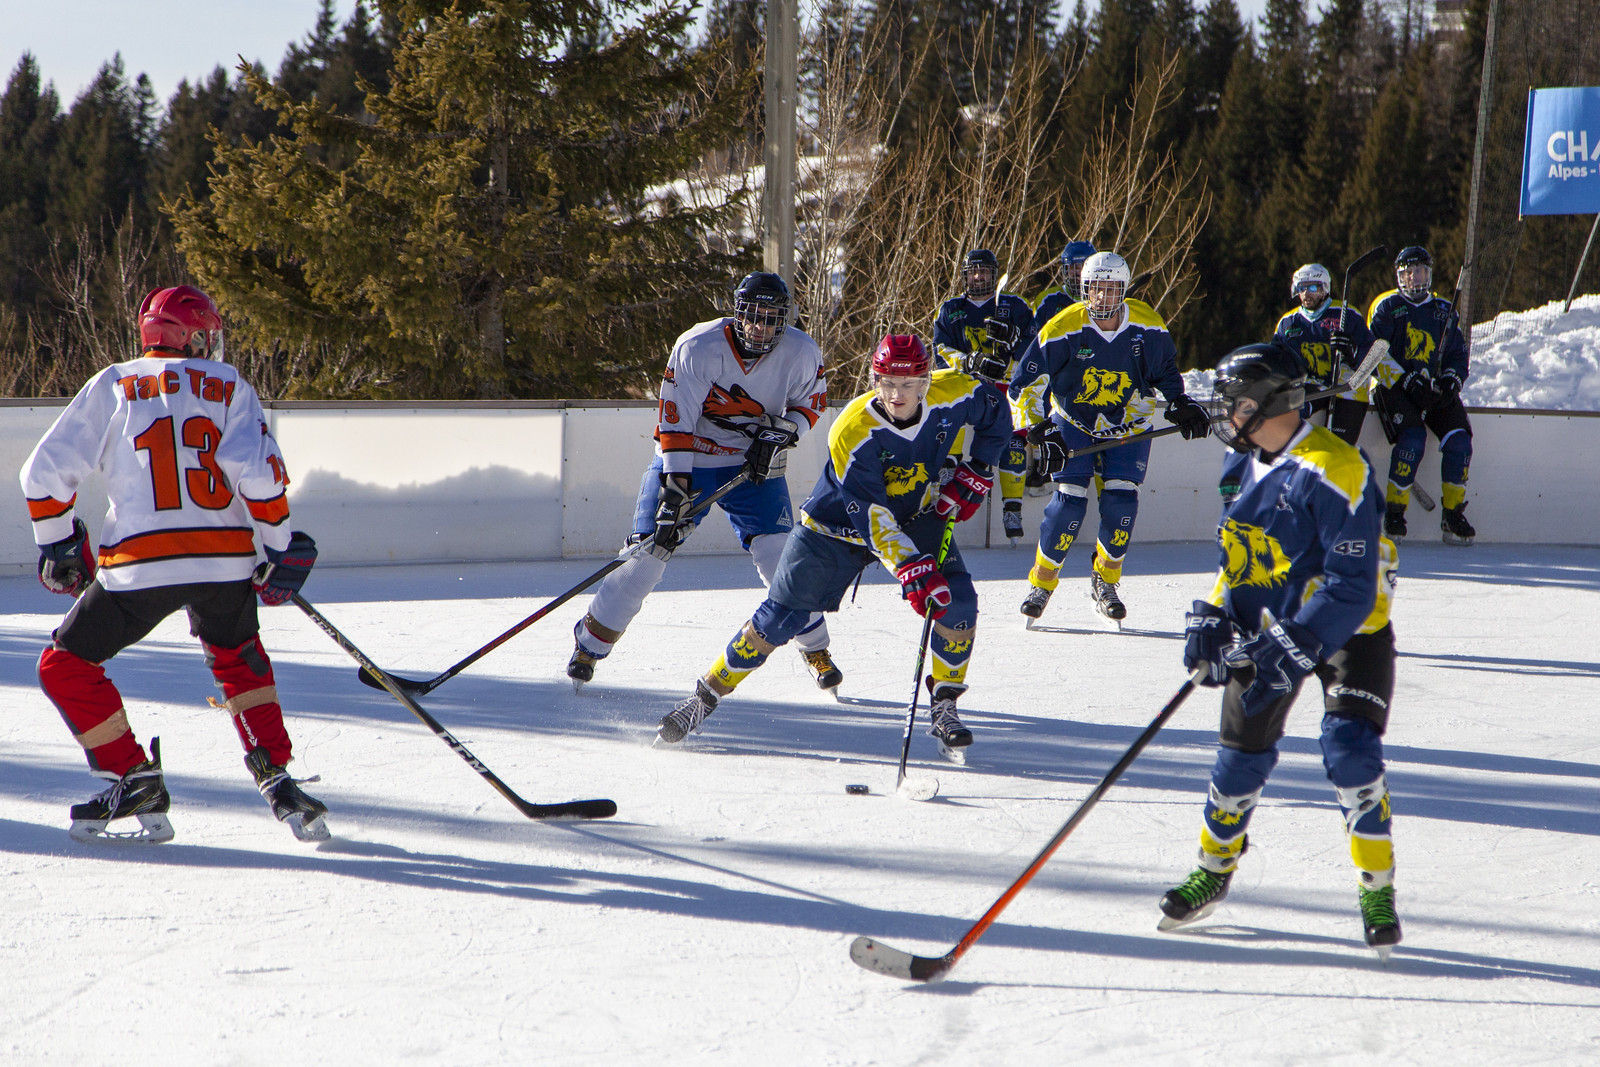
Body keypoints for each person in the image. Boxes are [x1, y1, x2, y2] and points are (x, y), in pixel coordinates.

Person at [19, 284, 328, 844]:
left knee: (64, 666)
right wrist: (278, 545)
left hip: (140, 564)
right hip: (224, 561)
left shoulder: (114, 382)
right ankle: (278, 778)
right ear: (187, 335)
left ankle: (132, 774)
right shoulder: (230, 384)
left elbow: (42, 474)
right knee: (238, 660)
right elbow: (256, 474)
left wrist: (57, 542)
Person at [658, 334, 1009, 759]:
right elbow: (872, 516)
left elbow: (995, 408)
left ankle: (945, 705)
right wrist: (913, 569)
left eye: (908, 383)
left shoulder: (955, 392)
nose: (896, 394)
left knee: (959, 603)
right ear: (874, 380)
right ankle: (703, 698)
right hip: (833, 529)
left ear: (925, 381)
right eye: (887, 383)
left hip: (915, 519)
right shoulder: (853, 429)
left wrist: (978, 470)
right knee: (779, 619)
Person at [1160, 342, 1402, 957]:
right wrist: (1216, 614)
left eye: (1237, 403)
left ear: (1274, 403)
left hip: (1351, 631)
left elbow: (1354, 586)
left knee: (1349, 751)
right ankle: (1213, 873)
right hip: (1272, 628)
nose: (1226, 415)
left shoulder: (1336, 468)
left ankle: (1376, 887)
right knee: (1238, 759)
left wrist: (1297, 639)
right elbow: (1236, 560)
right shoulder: (1238, 464)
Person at [567, 272, 841, 692]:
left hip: (752, 465)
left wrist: (784, 434)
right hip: (687, 459)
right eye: (754, 316)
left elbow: (812, 403)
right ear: (738, 313)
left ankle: (816, 647)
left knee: (781, 559)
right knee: (646, 558)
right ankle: (589, 645)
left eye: (772, 319)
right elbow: (673, 421)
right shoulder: (697, 346)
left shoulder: (801, 351)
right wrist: (676, 486)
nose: (762, 328)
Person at [1008, 251, 1211, 622]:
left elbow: (1165, 371)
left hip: (1130, 424)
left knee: (1121, 504)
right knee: (1068, 503)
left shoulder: (1147, 325)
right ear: (1084, 290)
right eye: (1094, 289)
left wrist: (1179, 401)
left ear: (1123, 290)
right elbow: (1024, 386)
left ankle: (1105, 581)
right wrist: (1040, 429)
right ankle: (1042, 583)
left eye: (1111, 289)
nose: (1102, 298)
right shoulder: (1062, 328)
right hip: (1074, 422)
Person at [1366, 246, 1475, 545]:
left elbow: (1456, 353)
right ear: (1399, 275)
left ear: (1430, 273)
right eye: (1408, 272)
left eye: (1420, 271)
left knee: (1459, 441)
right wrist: (1405, 379)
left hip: (1433, 387)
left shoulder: (1443, 309)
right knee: (1412, 440)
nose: (1415, 278)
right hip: (1396, 389)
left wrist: (1452, 380)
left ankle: (1452, 514)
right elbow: (1375, 354)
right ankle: (1395, 512)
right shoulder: (1387, 307)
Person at [932, 249, 1035, 544]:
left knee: (1013, 440)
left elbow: (1033, 345)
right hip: (966, 386)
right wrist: (970, 362)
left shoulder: (1014, 306)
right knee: (950, 418)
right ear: (965, 275)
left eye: (984, 271)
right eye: (973, 272)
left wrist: (1010, 363)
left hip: (1003, 388)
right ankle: (949, 468)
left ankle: (1012, 508)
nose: (978, 277)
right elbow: (940, 349)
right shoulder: (951, 309)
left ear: (994, 274)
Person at [1273, 262, 1374, 446]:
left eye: (1312, 287)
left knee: (1339, 446)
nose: (1306, 293)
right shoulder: (1288, 323)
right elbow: (1277, 361)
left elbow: (1371, 356)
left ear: (1324, 288)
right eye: (1302, 288)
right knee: (1290, 422)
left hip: (1346, 388)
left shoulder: (1346, 315)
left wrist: (1352, 353)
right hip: (1311, 386)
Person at [1030, 240, 1096, 336]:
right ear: (1065, 269)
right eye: (1073, 267)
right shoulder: (1047, 300)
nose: (1078, 272)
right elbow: (1034, 340)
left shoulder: (1103, 301)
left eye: (1082, 266)